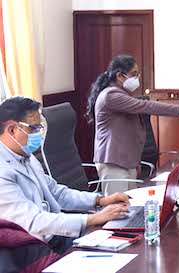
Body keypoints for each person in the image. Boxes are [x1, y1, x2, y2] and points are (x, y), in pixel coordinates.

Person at [0, 97, 131, 253]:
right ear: (12, 130)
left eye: (40, 128)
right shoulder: (3, 171)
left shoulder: (25, 156)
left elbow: (56, 192)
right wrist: (93, 218)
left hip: (56, 235)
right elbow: (33, 221)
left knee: (122, 239)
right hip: (33, 250)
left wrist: (100, 200)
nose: (39, 134)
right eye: (34, 128)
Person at [87, 55, 179, 196]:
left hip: (126, 161)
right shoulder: (111, 95)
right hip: (113, 161)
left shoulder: (121, 93)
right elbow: (145, 106)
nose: (137, 79)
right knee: (117, 205)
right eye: (133, 75)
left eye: (138, 74)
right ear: (120, 76)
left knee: (130, 203)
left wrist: (136, 162)